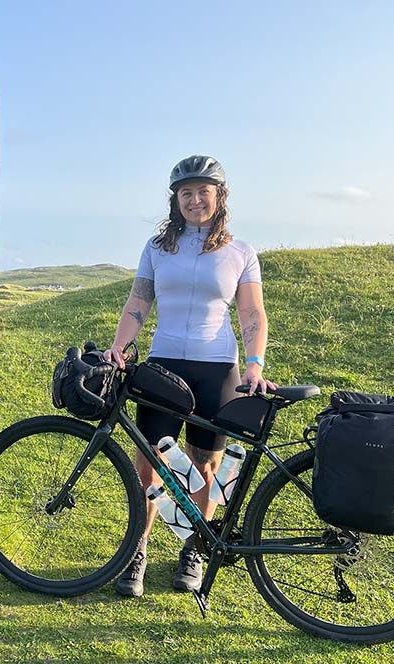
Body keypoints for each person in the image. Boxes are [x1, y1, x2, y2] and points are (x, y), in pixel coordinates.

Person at [105, 155, 277, 597]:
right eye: (186, 193)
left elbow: (252, 312)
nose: (195, 200)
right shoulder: (158, 248)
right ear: (175, 200)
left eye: (204, 192)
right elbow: (138, 303)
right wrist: (120, 345)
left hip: (216, 368)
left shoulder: (240, 252)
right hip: (163, 367)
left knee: (204, 466)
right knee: (151, 464)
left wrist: (255, 365)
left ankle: (194, 548)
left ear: (219, 197)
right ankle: (137, 549)